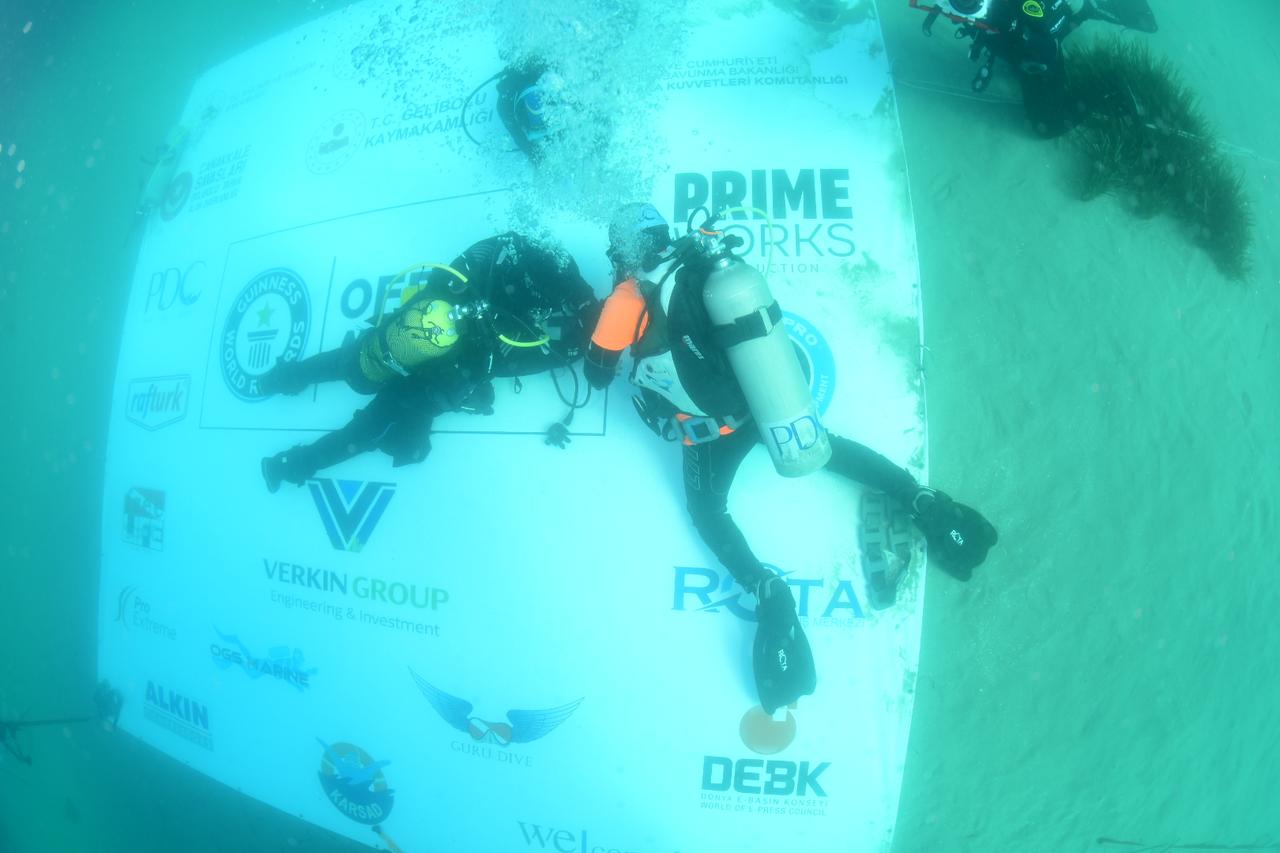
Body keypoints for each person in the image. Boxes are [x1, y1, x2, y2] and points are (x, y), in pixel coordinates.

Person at [584, 203, 998, 713]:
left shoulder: (627, 297)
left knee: (709, 512)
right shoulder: (702, 263)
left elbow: (599, 372)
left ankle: (766, 589)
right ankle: (921, 500)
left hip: (709, 432)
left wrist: (607, 319)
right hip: (762, 401)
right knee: (824, 450)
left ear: (622, 250)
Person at [259, 232, 600, 491]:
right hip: (434, 382)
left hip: (414, 338)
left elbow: (448, 277)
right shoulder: (516, 321)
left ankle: (282, 379)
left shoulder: (500, 254)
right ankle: (291, 465)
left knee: (348, 363)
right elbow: (524, 359)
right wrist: (575, 344)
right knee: (370, 430)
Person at [912, 0, 1157, 137]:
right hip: (1011, 33)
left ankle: (1109, 87)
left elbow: (1049, 32)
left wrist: (1032, 56)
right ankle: (1083, 12)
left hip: (1034, 43)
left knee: (1048, 123)